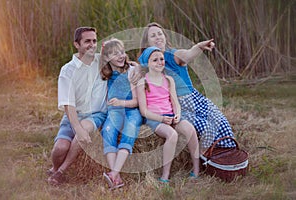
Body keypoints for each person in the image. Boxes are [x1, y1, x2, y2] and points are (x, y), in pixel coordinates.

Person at [139, 22, 236, 153]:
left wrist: (199, 47)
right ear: (147, 42)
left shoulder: (173, 55)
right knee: (206, 128)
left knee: (221, 122)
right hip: (176, 105)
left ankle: (229, 153)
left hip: (193, 98)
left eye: (160, 34)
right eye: (153, 36)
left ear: (165, 36)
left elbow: (187, 54)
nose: (158, 37)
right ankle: (205, 157)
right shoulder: (145, 63)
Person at [47, 27, 107, 185]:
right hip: (72, 115)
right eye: (87, 41)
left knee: (84, 130)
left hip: (95, 115)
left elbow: (125, 62)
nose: (92, 45)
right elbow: (68, 104)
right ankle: (54, 168)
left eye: (94, 41)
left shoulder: (102, 62)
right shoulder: (67, 70)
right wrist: (76, 127)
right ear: (76, 44)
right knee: (60, 148)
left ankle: (61, 172)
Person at [137, 46, 200, 182]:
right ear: (147, 63)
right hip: (155, 118)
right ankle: (165, 176)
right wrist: (161, 118)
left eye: (161, 59)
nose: (160, 62)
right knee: (172, 135)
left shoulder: (169, 80)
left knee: (190, 130)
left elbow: (174, 101)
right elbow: (144, 111)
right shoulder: (143, 82)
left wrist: (177, 114)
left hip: (171, 114)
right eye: (155, 60)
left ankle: (196, 170)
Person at [100, 38, 142, 189]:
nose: (121, 56)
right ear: (106, 58)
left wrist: (120, 102)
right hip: (114, 111)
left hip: (131, 110)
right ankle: (116, 177)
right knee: (108, 130)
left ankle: (114, 173)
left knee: (130, 129)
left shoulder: (130, 72)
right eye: (115, 53)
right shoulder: (106, 74)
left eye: (122, 52)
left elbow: (136, 101)